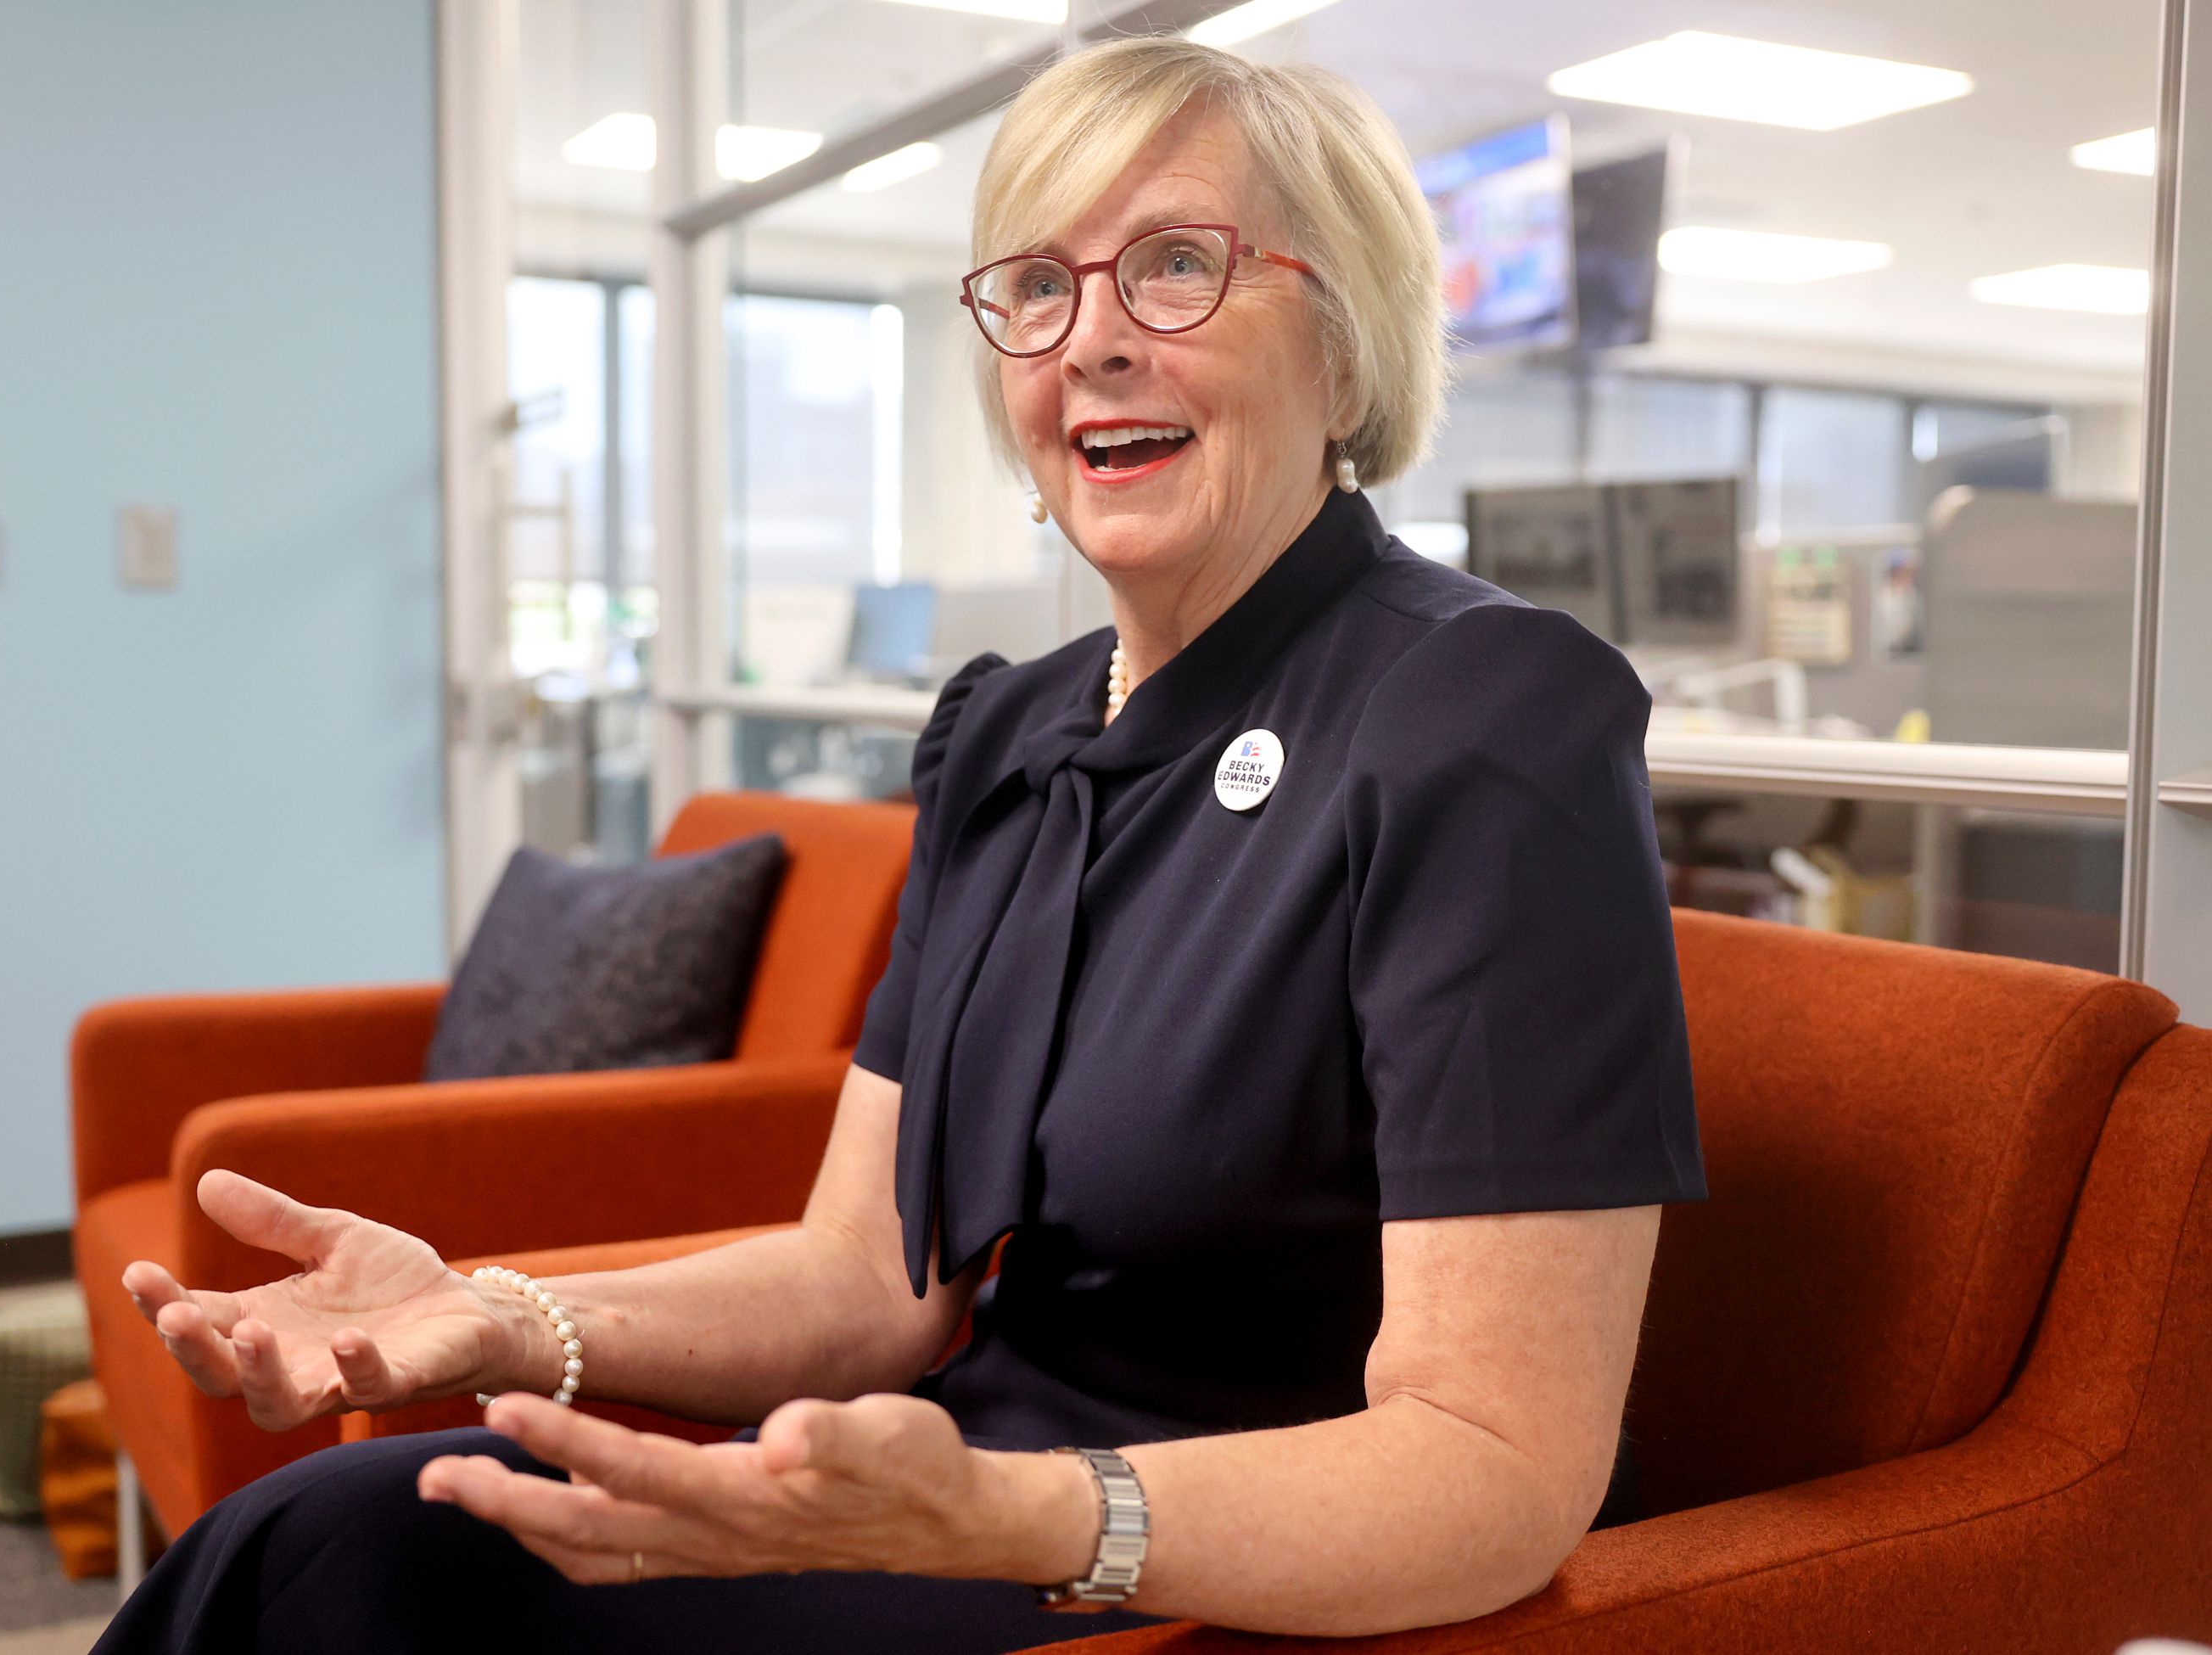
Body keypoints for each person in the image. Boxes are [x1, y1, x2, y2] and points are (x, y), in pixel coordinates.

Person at [92, 36, 1705, 1655]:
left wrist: (1015, 1513)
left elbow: (1495, 1471)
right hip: (944, 1481)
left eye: (1175, 270)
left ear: (1347, 351)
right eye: (1039, 292)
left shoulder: (1481, 715)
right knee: (327, 1548)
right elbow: (867, 1279)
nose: (1093, 345)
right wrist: (498, 1315)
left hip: (1214, 1573)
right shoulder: (1013, 737)